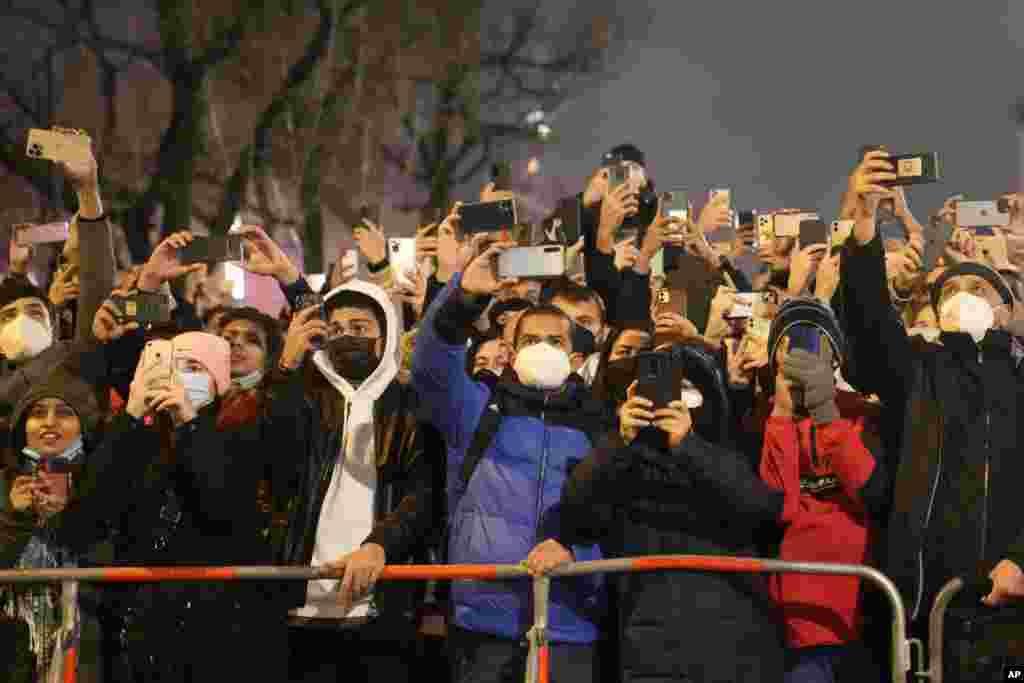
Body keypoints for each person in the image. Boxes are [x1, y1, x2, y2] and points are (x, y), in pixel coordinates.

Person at [838, 149, 1024, 680]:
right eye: (953, 290)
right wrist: (864, 226)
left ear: (1008, 312)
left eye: (980, 289)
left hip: (1007, 610)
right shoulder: (918, 368)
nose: (964, 297)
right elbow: (871, 322)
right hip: (922, 613)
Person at [230, 225, 440, 683]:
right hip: (298, 603)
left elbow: (422, 492)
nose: (347, 337)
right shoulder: (302, 393)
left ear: (384, 337)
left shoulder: (408, 403)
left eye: (360, 328)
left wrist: (379, 545)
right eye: (338, 329)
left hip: (380, 608)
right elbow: (265, 453)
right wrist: (284, 365)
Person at [413, 240, 611, 683]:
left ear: (575, 358)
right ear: (510, 350)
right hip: (485, 622)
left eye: (554, 341)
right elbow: (429, 364)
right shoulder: (476, 410)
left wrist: (573, 547)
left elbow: (611, 509)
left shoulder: (600, 427)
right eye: (530, 340)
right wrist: (464, 297)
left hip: (569, 622)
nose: (542, 348)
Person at [560, 340, 785, 683]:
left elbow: (760, 510)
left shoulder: (737, 442)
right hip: (650, 646)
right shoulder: (621, 453)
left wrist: (688, 445)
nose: (675, 400)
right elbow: (577, 515)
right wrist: (619, 442)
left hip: (735, 643)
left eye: (687, 388)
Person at [759, 299, 889, 682]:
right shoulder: (764, 418)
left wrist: (827, 414)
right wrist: (782, 415)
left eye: (815, 341)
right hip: (799, 611)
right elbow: (778, 507)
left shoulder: (862, 412)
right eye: (789, 342)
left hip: (859, 600)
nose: (802, 351)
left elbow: (869, 492)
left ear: (835, 355)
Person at [0, 368, 106, 683]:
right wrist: (15, 518)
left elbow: (108, 560)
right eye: (37, 413)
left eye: (63, 413)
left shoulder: (100, 488)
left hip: (81, 644)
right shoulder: (3, 486)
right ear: (22, 428)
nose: (49, 422)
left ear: (83, 428)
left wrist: (68, 514)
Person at [0, 146, 115, 422]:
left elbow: (97, 282)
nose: (23, 322)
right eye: (7, 316)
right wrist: (17, 273)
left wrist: (88, 193)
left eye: (36, 313)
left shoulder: (72, 360)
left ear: (51, 322)